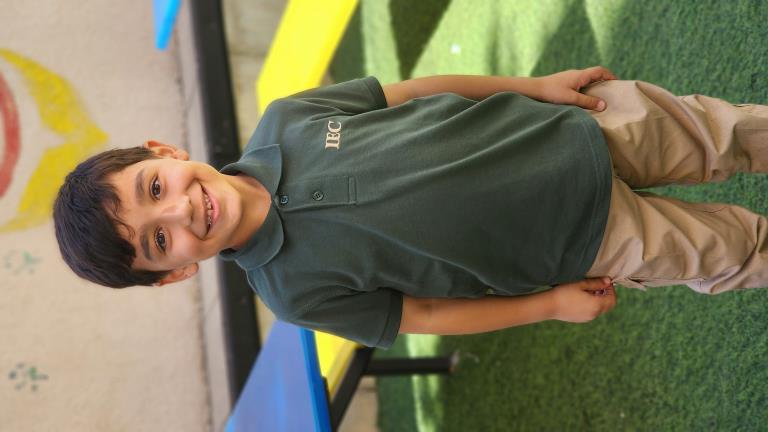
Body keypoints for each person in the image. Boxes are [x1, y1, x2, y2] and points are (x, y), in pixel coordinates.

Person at [53, 67, 768, 348]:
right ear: (176, 273)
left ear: (165, 152)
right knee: (734, 253)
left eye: (154, 188)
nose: (179, 212)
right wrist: (548, 305)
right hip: (583, 241)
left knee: (727, 132)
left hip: (574, 127)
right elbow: (424, 314)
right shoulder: (293, 293)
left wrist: (535, 88)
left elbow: (415, 93)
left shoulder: (286, 120)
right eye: (158, 243)